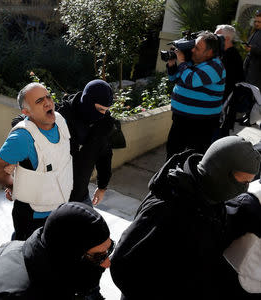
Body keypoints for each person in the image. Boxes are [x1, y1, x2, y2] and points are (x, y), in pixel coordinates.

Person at [110, 136, 261, 299]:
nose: (244, 189)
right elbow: (123, 266)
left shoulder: (210, 197)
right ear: (220, 169)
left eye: (248, 183)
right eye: (242, 181)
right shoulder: (165, 209)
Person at [0, 202, 112, 300]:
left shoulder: (47, 260)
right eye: (99, 257)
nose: (107, 263)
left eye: (110, 249)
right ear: (68, 255)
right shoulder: (14, 296)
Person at [0, 82, 73, 241]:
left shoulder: (61, 121)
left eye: (48, 96)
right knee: (27, 259)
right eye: (39, 101)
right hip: (33, 218)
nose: (48, 102)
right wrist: (14, 186)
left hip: (60, 209)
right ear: (26, 111)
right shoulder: (22, 137)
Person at [165, 31, 226, 159]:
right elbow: (174, 78)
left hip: (201, 123)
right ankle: (168, 178)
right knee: (173, 152)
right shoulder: (193, 62)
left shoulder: (215, 67)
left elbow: (191, 80)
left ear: (209, 52)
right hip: (181, 118)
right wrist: (172, 63)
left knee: (194, 157)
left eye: (197, 48)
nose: (192, 50)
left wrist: (181, 62)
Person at [57, 79, 116, 206]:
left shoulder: (104, 124)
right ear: (88, 101)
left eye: (106, 110)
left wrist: (102, 187)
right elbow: (26, 122)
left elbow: (105, 155)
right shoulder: (61, 114)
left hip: (81, 196)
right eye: (100, 109)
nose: (103, 114)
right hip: (53, 196)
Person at [244, 10, 261, 91]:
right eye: (256, 21)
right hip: (249, 69)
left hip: (257, 73)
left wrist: (253, 49)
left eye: (259, 22)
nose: (257, 24)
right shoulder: (255, 31)